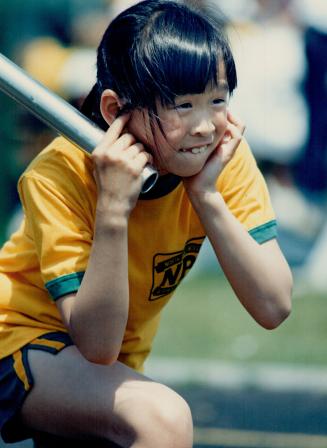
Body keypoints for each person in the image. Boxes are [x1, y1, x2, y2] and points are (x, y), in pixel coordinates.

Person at [0, 1, 293, 447]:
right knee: (162, 417)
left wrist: (207, 197)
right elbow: (96, 345)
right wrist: (114, 209)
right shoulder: (59, 174)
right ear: (117, 108)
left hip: (109, 357)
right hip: (19, 339)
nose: (203, 126)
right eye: (182, 105)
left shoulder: (219, 158)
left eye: (217, 100)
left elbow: (273, 306)